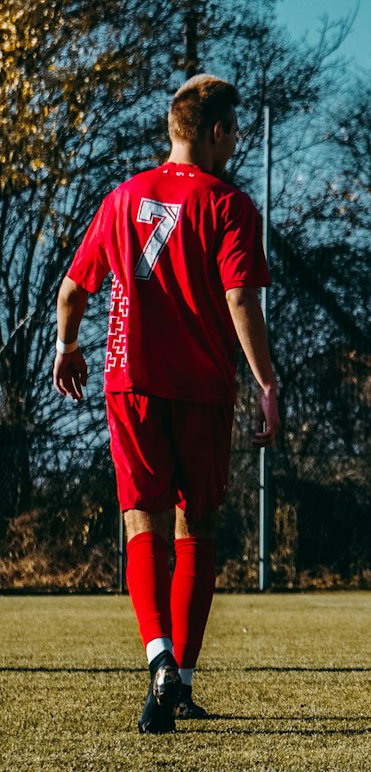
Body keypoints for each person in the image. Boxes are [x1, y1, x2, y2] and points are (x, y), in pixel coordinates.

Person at [53, 75, 278, 734]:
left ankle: (159, 658)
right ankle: (179, 677)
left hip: (131, 382)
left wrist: (69, 347)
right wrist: (267, 383)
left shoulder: (122, 198)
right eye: (234, 131)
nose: (236, 144)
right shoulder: (230, 204)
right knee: (196, 530)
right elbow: (241, 299)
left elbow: (72, 292)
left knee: (142, 524)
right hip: (203, 388)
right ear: (215, 132)